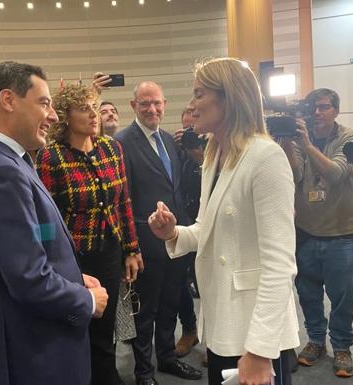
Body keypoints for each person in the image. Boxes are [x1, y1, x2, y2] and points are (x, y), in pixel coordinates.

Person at [0, 61, 108, 385]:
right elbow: (28, 279)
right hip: (31, 351)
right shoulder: (0, 172)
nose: (52, 116)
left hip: (30, 341)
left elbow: (33, 241)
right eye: (44, 103)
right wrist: (87, 300)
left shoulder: (3, 161)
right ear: (8, 100)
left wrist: (73, 276)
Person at [148, 57, 299, 385]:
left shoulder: (266, 158)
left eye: (199, 94)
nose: (191, 105)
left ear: (229, 97)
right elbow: (207, 228)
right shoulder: (215, 156)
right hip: (223, 321)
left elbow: (280, 265)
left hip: (256, 332)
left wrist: (259, 350)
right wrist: (173, 232)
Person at [36, 83, 143, 385]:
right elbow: (47, 216)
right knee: (75, 322)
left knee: (105, 326)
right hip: (72, 257)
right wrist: (49, 261)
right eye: (84, 108)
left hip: (108, 250)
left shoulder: (111, 148)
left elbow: (123, 202)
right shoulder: (50, 156)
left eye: (95, 107)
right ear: (66, 116)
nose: (93, 114)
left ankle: (106, 376)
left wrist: (131, 249)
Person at [114, 81, 202, 385]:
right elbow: (121, 199)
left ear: (165, 104)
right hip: (144, 241)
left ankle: (166, 358)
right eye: (145, 104)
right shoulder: (122, 142)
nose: (152, 109)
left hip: (176, 238)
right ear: (133, 106)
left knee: (170, 303)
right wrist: (130, 245)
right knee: (145, 310)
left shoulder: (168, 139)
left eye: (157, 103)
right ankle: (144, 372)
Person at [280, 88, 353, 378]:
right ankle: (316, 341)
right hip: (306, 231)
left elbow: (335, 173)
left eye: (324, 107)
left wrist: (305, 142)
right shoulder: (301, 138)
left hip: (341, 232)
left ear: (336, 111)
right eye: (313, 107)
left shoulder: (349, 137)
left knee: (342, 295)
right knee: (308, 293)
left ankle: (342, 346)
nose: (317, 113)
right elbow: (295, 175)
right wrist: (289, 145)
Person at [172, 107, 202, 358]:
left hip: (209, 222)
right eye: (185, 129)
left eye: (193, 129)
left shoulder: (214, 149)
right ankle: (190, 330)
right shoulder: (175, 150)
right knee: (181, 282)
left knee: (209, 283)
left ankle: (213, 336)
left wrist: (197, 153)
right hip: (183, 222)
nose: (189, 133)